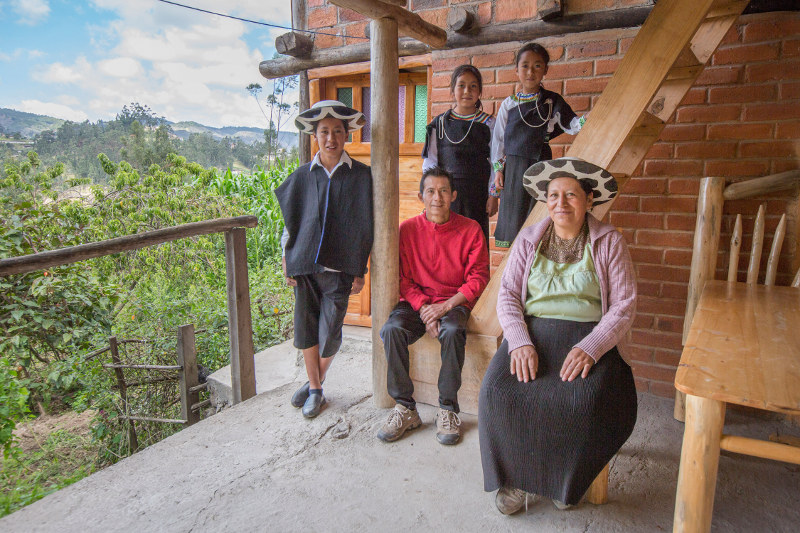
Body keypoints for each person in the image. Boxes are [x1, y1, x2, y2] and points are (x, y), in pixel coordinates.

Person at [478, 157, 636, 514]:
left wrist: (592, 348)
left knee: (583, 401)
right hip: (533, 335)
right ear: (545, 200)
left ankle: (566, 481)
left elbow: (624, 305)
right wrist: (518, 341)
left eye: (571, 195)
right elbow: (507, 296)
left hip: (591, 340)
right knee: (497, 392)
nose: (560, 204)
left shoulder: (609, 241)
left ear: (589, 200)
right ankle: (515, 480)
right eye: (553, 195)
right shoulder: (529, 239)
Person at [377, 167, 489, 445]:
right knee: (391, 329)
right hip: (418, 302)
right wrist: (426, 308)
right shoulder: (407, 230)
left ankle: (448, 408)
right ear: (420, 196)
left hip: (454, 302)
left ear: (453, 195)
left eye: (443, 191)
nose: (437, 197)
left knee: (452, 332)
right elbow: (401, 277)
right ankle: (405, 407)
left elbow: (479, 277)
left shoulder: (471, 229)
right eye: (430, 191)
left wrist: (444, 307)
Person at [275, 100, 373, 419]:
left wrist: (361, 269)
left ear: (347, 135)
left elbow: (365, 225)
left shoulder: (362, 176)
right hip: (305, 268)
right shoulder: (303, 176)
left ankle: (312, 382)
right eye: (324, 131)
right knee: (306, 328)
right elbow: (291, 223)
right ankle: (316, 390)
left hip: (341, 270)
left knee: (330, 332)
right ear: (315, 135)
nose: (331, 138)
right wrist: (286, 259)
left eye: (337, 131)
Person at [491, 42, 586, 248]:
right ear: (516, 70)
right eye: (525, 66)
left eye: (537, 66)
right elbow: (498, 140)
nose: (530, 72)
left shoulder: (551, 101)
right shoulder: (509, 104)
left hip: (541, 163)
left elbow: (571, 124)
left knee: (538, 213)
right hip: (514, 168)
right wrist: (498, 171)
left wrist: (587, 121)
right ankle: (515, 261)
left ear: (545, 70)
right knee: (514, 217)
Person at [422, 64, 497, 245]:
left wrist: (493, 195)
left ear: (479, 91)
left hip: (476, 196)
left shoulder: (489, 124)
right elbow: (430, 162)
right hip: (446, 196)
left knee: (474, 243)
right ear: (452, 89)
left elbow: (497, 161)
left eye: (473, 86)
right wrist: (431, 194)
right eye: (461, 85)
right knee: (445, 245)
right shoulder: (439, 124)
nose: (467, 91)